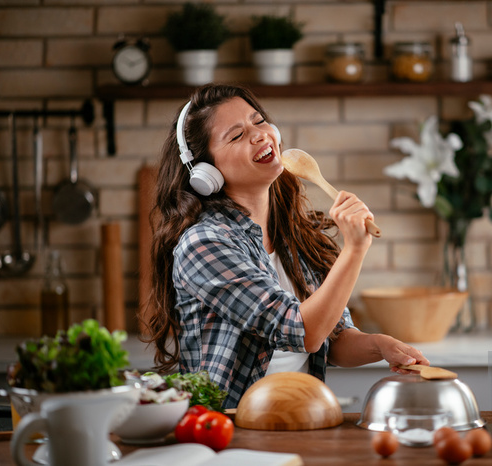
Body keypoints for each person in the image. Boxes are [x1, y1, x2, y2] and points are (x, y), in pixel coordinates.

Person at [145, 83, 429, 409]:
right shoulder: (204, 244)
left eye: (259, 120)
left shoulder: (292, 235)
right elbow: (303, 331)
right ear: (206, 172)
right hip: (229, 429)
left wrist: (380, 345)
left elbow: (331, 338)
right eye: (237, 135)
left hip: (297, 419)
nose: (260, 134)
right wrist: (354, 249)